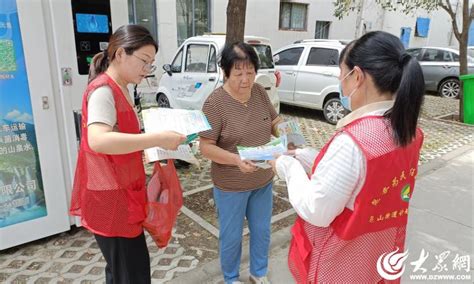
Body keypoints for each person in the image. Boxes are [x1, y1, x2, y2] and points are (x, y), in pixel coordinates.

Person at [269, 31, 425, 283]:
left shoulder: (353, 141)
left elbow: (316, 209)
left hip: (342, 265)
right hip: (379, 257)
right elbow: (361, 180)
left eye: (341, 75)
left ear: (358, 76)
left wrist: (286, 165)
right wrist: (303, 155)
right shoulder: (409, 131)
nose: (340, 82)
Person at [70, 25, 186, 284]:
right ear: (120, 54)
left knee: (120, 270)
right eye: (144, 61)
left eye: (151, 64)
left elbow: (121, 138)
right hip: (112, 200)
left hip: (121, 192)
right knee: (132, 273)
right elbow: (98, 140)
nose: (147, 70)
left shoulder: (121, 87)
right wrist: (156, 138)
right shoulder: (103, 90)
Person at [199, 42, 282, 284]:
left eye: (250, 72)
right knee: (232, 237)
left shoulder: (258, 92)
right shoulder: (214, 104)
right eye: (238, 73)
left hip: (262, 180)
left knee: (262, 231)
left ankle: (258, 272)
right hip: (231, 186)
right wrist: (236, 160)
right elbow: (205, 147)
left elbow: (275, 121)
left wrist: (292, 137)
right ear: (225, 72)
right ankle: (232, 278)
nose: (245, 80)